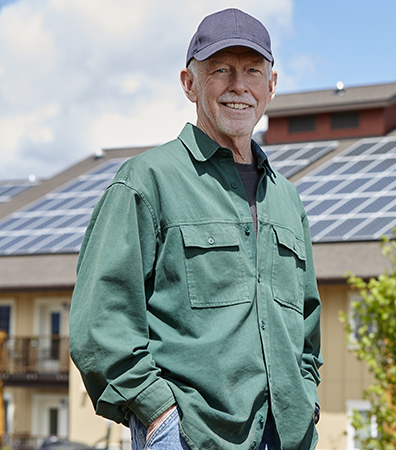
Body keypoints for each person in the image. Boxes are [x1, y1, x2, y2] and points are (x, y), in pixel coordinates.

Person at [69, 8, 322, 450]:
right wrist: (156, 410)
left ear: (272, 85)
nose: (238, 86)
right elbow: (99, 322)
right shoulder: (146, 181)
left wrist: (307, 398)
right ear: (189, 83)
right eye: (221, 70)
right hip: (189, 433)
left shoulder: (286, 199)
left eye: (252, 71)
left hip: (287, 434)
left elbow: (308, 325)